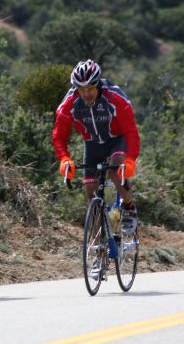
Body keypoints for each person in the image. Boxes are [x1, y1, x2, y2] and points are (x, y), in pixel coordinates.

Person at [52, 59, 141, 235]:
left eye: (90, 88)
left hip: (116, 139)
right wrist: (65, 158)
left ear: (98, 84)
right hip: (92, 143)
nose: (86, 94)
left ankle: (129, 207)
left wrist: (130, 159)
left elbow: (131, 132)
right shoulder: (69, 103)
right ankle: (97, 253)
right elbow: (59, 136)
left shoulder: (115, 98)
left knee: (115, 171)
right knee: (91, 196)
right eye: (82, 90)